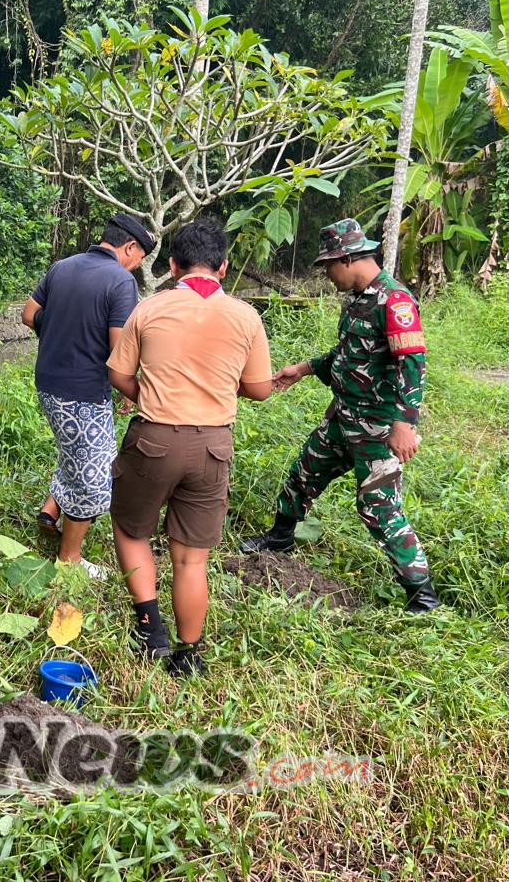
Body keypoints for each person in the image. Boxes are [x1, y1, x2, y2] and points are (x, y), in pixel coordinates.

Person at [238, 218, 441, 614]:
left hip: (378, 428)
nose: (328, 275)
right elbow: (349, 354)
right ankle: (280, 537)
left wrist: (405, 425)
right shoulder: (359, 299)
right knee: (303, 473)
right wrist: (306, 367)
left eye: (330, 266)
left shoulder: (394, 301)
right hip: (343, 417)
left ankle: (422, 595)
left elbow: (412, 363)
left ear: (348, 258)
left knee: (379, 507)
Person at [106, 219, 273, 678]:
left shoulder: (149, 308)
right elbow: (259, 389)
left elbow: (119, 375)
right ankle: (189, 653)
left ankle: (149, 629)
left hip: (154, 437)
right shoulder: (245, 316)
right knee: (191, 555)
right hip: (212, 446)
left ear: (173, 265)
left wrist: (151, 393)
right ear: (223, 266)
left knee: (130, 529)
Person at [21, 213, 154, 572]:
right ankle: (70, 559)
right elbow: (119, 352)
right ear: (130, 247)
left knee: (80, 451)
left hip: (48, 385)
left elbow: (28, 313)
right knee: (96, 477)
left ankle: (51, 509)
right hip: (83, 393)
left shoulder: (61, 266)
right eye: (139, 259)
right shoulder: (120, 282)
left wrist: (63, 328)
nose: (137, 266)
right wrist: (132, 389)